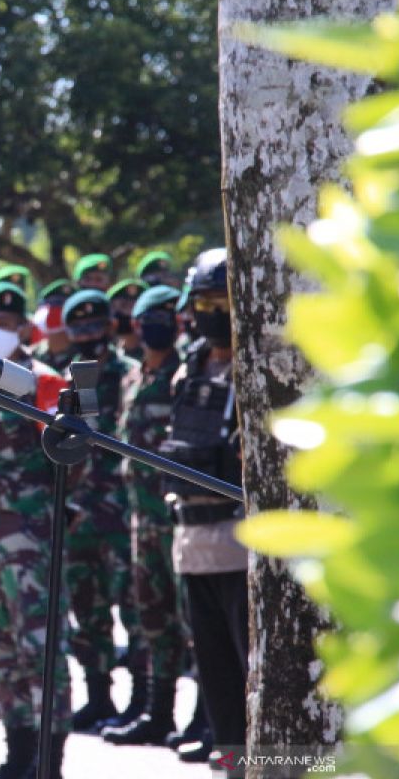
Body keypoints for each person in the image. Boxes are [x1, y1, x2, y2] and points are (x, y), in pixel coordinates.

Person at [0, 283, 71, 779]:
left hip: (30, 544)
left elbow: (72, 464)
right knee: (0, 652)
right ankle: (18, 754)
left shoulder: (42, 383)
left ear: (25, 329)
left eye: (4, 325)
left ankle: (49, 763)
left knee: (41, 653)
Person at [162, 248, 246, 764]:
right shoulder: (186, 370)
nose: (213, 311)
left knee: (251, 677)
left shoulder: (260, 371)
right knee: (217, 686)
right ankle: (234, 764)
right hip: (192, 546)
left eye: (224, 300)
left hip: (240, 547)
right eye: (204, 301)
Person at [103, 286, 187, 746]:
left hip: (176, 519)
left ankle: (209, 721)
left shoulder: (184, 376)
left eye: (165, 316)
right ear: (135, 326)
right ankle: (159, 712)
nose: (157, 325)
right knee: (151, 620)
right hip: (140, 521)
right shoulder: (132, 379)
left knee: (189, 621)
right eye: (148, 318)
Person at [59, 289, 140, 734]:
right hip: (79, 514)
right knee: (87, 614)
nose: (88, 336)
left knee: (134, 610)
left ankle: (144, 702)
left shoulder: (130, 376)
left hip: (122, 515)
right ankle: (98, 695)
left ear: (111, 327)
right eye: (79, 329)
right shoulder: (64, 382)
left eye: (95, 327)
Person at [106, 278, 150, 360]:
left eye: (135, 307)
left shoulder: (157, 353)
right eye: (123, 306)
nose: (129, 313)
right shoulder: (104, 355)